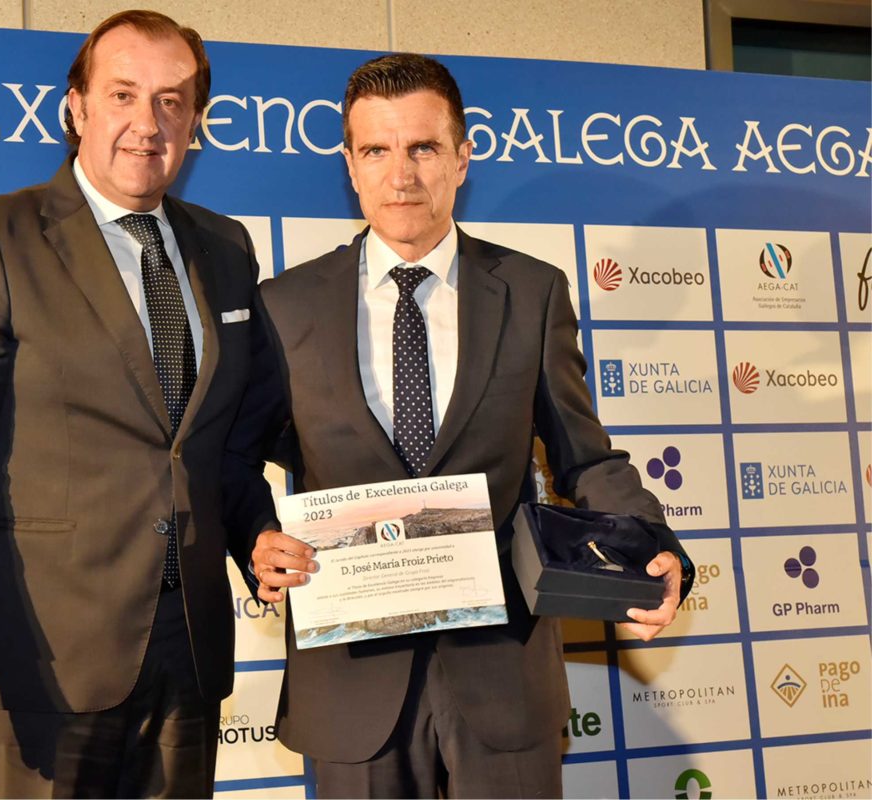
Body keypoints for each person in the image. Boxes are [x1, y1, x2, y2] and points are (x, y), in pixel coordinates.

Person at [227, 53, 695, 798]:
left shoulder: (533, 291)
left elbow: (585, 456)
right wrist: (256, 537)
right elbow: (233, 462)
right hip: (352, 678)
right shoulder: (283, 306)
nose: (401, 174)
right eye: (376, 150)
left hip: (503, 672)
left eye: (423, 148)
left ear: (462, 156)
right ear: (350, 164)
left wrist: (655, 543)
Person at [0, 10, 263, 798]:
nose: (147, 121)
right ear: (77, 107)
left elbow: (222, 444)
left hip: (189, 653)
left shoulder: (225, 247)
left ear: (196, 121)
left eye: (172, 100)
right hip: (43, 662)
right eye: (123, 93)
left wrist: (261, 535)